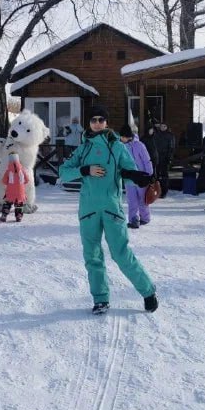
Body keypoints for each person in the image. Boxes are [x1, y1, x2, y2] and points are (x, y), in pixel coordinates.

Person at [59, 105, 158, 314]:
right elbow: (64, 172)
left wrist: (140, 178)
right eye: (93, 120)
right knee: (92, 257)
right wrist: (84, 170)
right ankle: (101, 299)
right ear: (89, 123)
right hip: (88, 211)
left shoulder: (117, 147)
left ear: (106, 123)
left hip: (112, 210)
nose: (96, 123)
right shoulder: (83, 148)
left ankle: (148, 291)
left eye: (100, 120)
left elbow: (129, 172)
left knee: (121, 254)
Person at [119, 124, 153, 228]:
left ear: (127, 136)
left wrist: (150, 174)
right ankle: (133, 219)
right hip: (129, 177)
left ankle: (145, 218)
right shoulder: (121, 146)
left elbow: (147, 160)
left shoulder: (139, 145)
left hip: (142, 176)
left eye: (122, 136)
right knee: (131, 199)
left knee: (143, 198)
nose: (121, 138)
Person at [0, 151, 29, 222]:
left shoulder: (8, 171)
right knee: (19, 204)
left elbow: (4, 181)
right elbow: (27, 180)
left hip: (10, 191)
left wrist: (9, 184)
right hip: (20, 191)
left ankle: (4, 215)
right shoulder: (22, 170)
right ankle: (18, 216)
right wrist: (21, 184)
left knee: (7, 203)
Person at [153, 122, 175, 198]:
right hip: (157, 157)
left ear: (166, 127)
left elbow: (171, 148)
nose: (162, 127)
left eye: (164, 126)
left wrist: (169, 158)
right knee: (157, 175)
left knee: (164, 176)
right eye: (161, 126)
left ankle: (164, 192)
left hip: (165, 157)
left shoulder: (170, 135)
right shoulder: (156, 134)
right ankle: (158, 190)